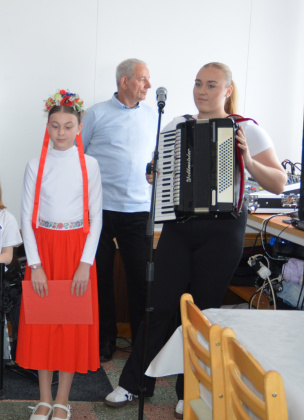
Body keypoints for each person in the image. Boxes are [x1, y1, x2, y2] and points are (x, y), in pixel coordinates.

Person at [104, 62, 287, 418]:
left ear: (227, 90)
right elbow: (159, 172)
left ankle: (190, 390)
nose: (202, 91)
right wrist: (154, 173)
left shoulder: (247, 129)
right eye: (198, 83)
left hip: (223, 231)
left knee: (203, 312)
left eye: (211, 85)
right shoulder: (177, 125)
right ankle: (133, 383)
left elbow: (279, 183)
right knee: (157, 306)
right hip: (179, 228)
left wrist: (248, 160)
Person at [18, 90, 103, 420]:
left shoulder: (90, 165)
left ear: (79, 127)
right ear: (48, 126)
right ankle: (43, 398)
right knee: (43, 324)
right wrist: (35, 264)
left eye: (68, 126)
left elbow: (96, 218)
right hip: (44, 252)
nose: (61, 133)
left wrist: (85, 263)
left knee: (70, 324)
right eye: (55, 126)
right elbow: (27, 218)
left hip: (76, 253)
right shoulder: (34, 165)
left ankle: (63, 399)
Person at [80, 58, 158, 362]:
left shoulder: (154, 116)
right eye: (142, 79)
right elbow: (77, 157)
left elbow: (160, 158)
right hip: (99, 210)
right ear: (124, 81)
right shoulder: (95, 114)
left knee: (141, 280)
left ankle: (142, 343)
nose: (148, 85)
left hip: (138, 210)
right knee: (99, 278)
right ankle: (104, 341)